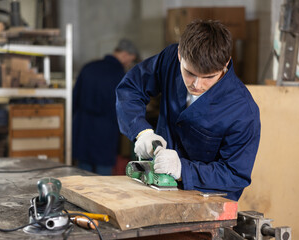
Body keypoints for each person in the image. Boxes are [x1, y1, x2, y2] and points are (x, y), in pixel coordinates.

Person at [116, 20, 261, 201]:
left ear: (225, 64)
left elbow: (235, 174)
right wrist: (142, 131)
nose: (196, 85)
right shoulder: (169, 60)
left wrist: (182, 170)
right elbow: (130, 88)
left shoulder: (243, 111)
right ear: (179, 55)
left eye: (208, 77)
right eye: (189, 73)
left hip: (207, 206)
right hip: (157, 192)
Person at [73, 39, 139, 175]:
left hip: (83, 129)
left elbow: (74, 100)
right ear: (125, 55)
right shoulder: (120, 75)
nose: (128, 64)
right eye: (130, 60)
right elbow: (124, 108)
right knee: (103, 179)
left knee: (82, 175)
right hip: (106, 133)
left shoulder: (88, 68)